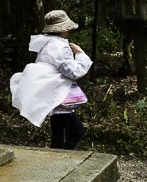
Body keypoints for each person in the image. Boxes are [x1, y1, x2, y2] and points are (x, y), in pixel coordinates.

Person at [9, 9, 92, 149]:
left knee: (70, 132)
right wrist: (80, 54)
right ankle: (62, 158)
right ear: (65, 30)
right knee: (66, 135)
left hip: (56, 95)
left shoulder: (47, 44)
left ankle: (65, 156)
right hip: (59, 96)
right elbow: (73, 72)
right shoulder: (59, 47)